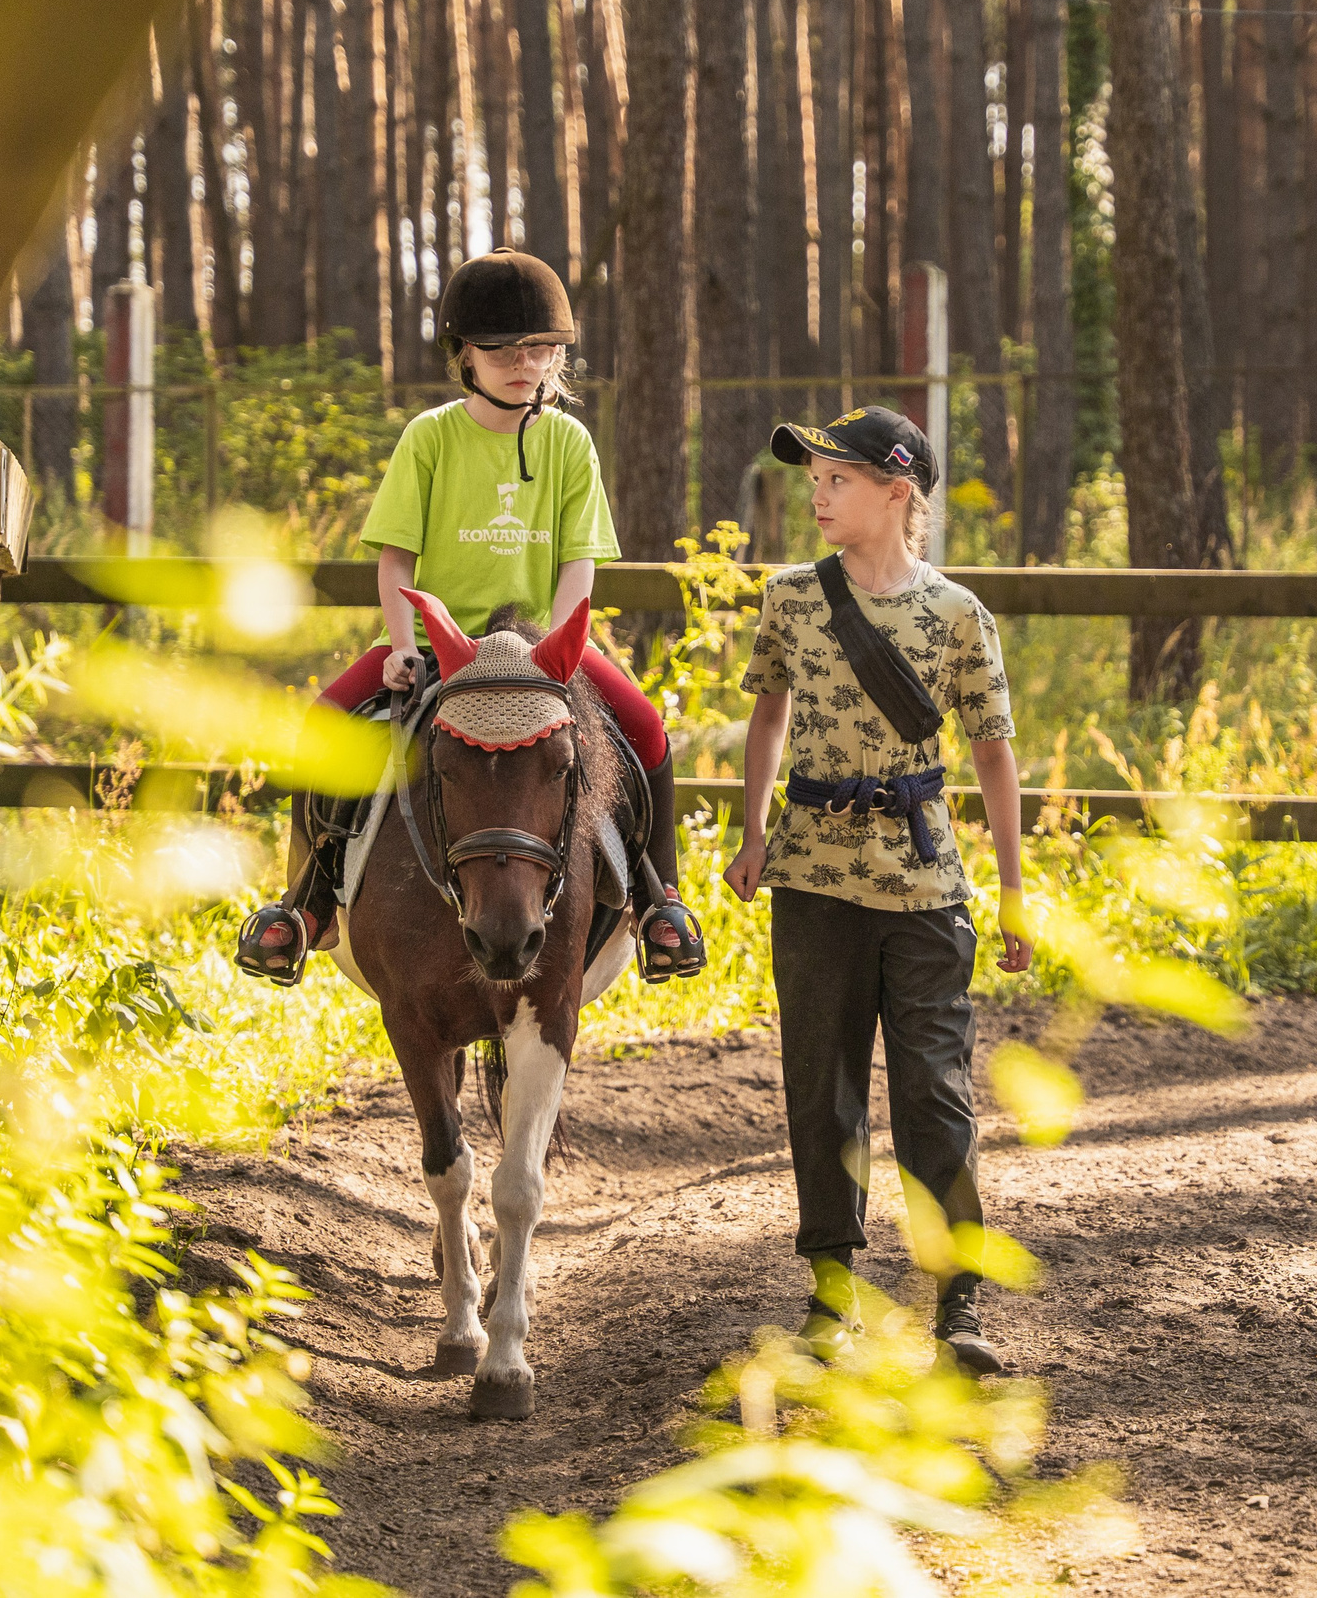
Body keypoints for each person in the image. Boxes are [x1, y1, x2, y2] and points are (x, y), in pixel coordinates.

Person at [235, 248, 705, 987]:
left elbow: (579, 562)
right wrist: (397, 646)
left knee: (646, 726)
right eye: (504, 349)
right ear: (464, 353)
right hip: (434, 642)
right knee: (325, 718)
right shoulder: (429, 438)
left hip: (539, 646)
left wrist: (557, 648)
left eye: (541, 348)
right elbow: (395, 563)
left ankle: (660, 903)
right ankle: (307, 903)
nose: (526, 364)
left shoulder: (569, 444)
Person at [722, 406, 1034, 1376]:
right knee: (820, 1092)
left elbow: (993, 757)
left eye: (836, 481)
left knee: (936, 1094)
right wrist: (750, 831)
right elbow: (767, 716)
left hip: (924, 887)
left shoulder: (955, 616)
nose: (814, 496)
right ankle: (829, 1295)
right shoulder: (787, 598)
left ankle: (959, 1304)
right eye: (809, 480)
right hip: (810, 880)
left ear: (897, 493)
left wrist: (1014, 892)